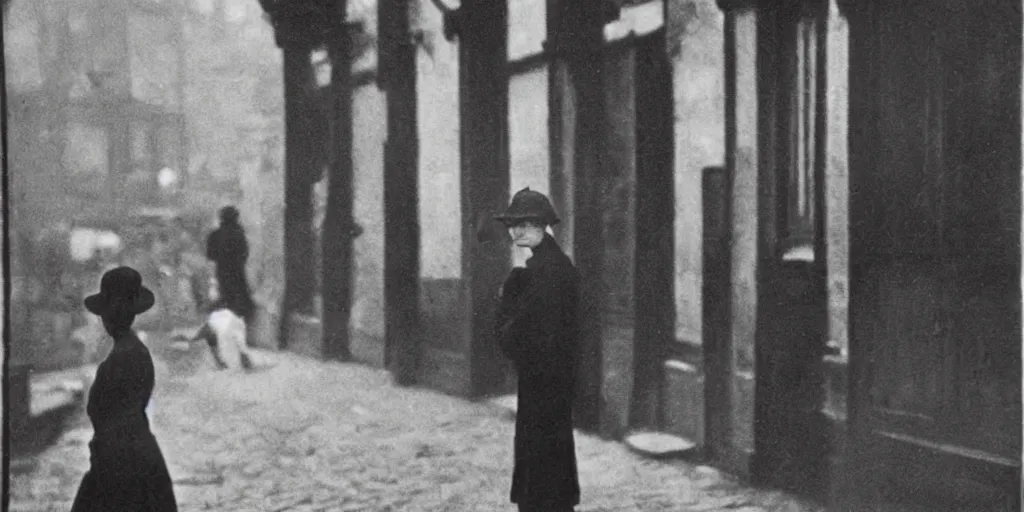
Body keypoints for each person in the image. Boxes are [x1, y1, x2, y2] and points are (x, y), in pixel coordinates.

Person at [493, 187, 582, 512]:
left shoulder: (546, 272)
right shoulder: (549, 265)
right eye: (513, 225)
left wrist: (511, 291)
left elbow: (519, 333)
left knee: (542, 471)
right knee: (547, 466)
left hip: (545, 382)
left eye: (526, 224)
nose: (517, 231)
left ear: (543, 225)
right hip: (546, 383)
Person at [71, 266, 178, 512]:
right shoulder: (131, 351)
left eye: (108, 314)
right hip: (133, 458)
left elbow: (111, 415)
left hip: (120, 464)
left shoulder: (124, 357)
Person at [205, 206, 256, 343]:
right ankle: (238, 338)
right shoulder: (239, 233)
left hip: (221, 273)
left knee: (223, 304)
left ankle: (220, 336)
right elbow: (245, 254)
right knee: (239, 305)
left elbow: (210, 256)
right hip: (238, 274)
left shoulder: (215, 234)